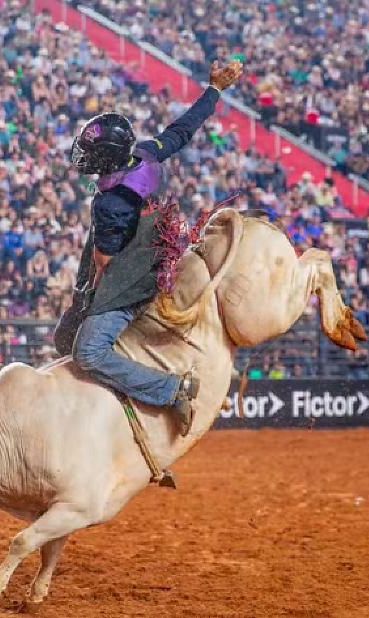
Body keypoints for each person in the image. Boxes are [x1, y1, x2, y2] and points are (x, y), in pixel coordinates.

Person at [59, 60, 243, 436]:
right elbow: (182, 130)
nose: (85, 156)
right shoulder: (146, 153)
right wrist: (215, 90)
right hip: (166, 249)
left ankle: (170, 390)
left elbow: (105, 263)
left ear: (106, 159)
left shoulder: (109, 203)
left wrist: (88, 298)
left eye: (92, 152)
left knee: (86, 351)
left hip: (136, 275)